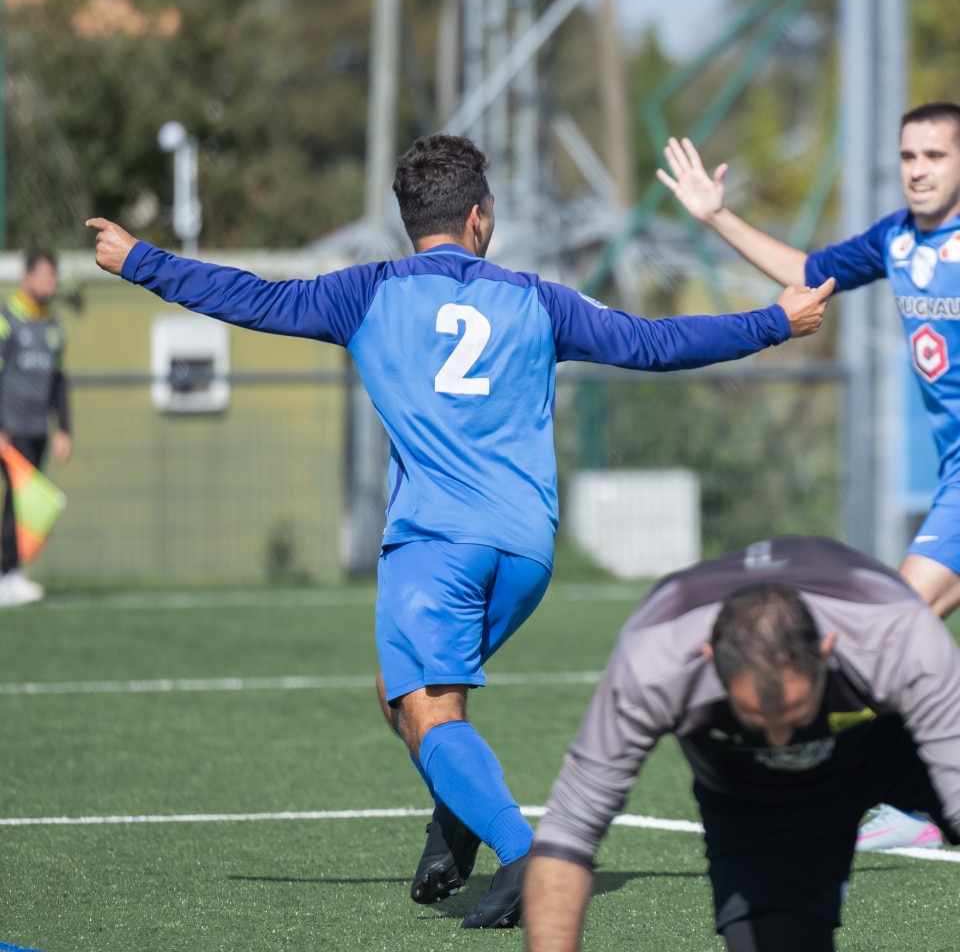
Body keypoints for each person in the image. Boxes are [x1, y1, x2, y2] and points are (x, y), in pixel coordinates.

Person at [87, 132, 833, 929]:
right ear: (480, 216)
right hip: (525, 550)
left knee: (430, 713)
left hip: (436, 546)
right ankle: (457, 818)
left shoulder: (366, 292)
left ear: (410, 219)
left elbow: (251, 297)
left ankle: (524, 852)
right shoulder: (539, 300)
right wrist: (772, 321)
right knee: (398, 693)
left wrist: (140, 261)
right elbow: (653, 343)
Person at [657, 101, 960, 848]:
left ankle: (908, 797)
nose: (918, 170)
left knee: (896, 620)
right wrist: (715, 216)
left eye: (936, 156)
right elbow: (806, 272)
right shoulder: (895, 238)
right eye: (909, 156)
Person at [524, 536, 960, 952]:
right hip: (750, 784)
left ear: (826, 651)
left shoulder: (899, 637)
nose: (781, 742)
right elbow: (569, 834)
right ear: (711, 660)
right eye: (757, 720)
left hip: (887, 745)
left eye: (794, 716)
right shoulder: (654, 659)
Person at [0, 250, 72, 607]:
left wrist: (64, 429)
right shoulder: (6, 320)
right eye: (44, 275)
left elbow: (59, 381)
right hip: (9, 428)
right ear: (26, 277)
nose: (50, 283)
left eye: (53, 276)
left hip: (37, 428)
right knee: (18, 501)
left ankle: (10, 574)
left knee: (24, 504)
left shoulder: (54, 326)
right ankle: (7, 574)